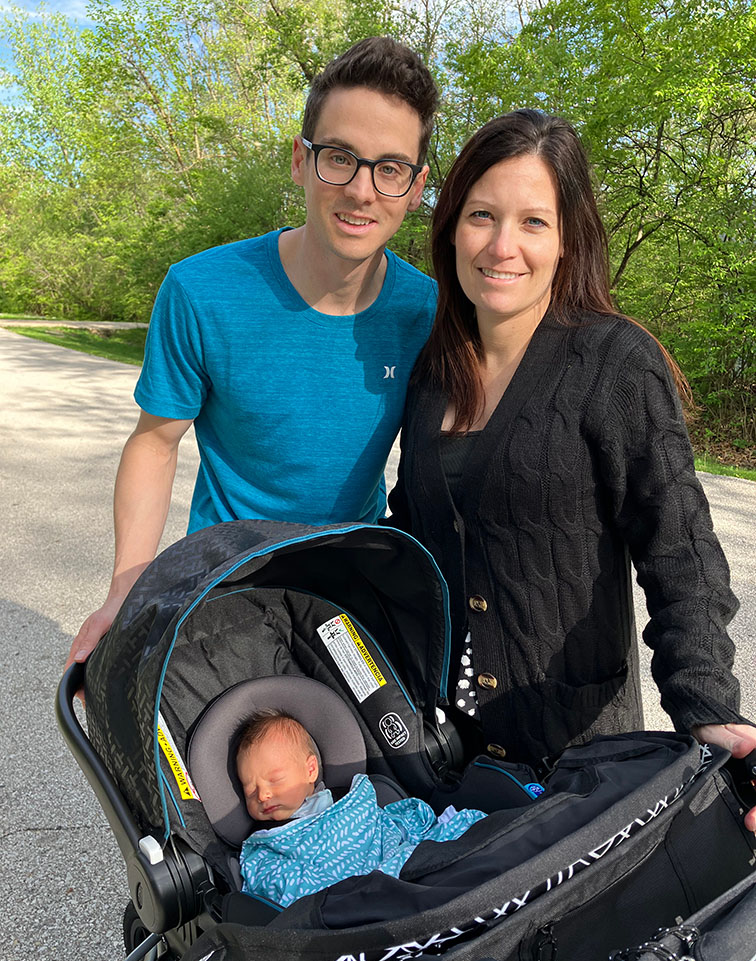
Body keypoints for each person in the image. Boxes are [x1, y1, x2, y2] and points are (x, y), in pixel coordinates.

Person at [386, 110, 756, 829]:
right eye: (482, 215)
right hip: (445, 755)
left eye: (533, 222)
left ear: (567, 241)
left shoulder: (614, 363)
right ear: (452, 228)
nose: (502, 245)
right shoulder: (433, 372)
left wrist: (708, 707)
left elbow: (681, 555)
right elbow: (415, 534)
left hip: (578, 764)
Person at [67, 37, 439, 667]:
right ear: (300, 160)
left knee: (368, 732)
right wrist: (125, 592)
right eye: (339, 158)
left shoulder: (426, 312)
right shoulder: (201, 291)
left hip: (351, 593)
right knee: (235, 730)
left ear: (415, 187)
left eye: (390, 168)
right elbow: (155, 444)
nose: (362, 190)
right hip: (225, 581)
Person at [235, 710, 485, 907]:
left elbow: (383, 826)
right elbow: (282, 885)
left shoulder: (350, 802)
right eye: (250, 791)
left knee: (466, 833)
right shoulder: (267, 844)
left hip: (390, 862)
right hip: (350, 896)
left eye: (275, 780)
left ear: (310, 770)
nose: (263, 795)